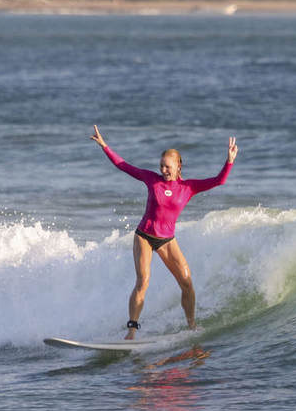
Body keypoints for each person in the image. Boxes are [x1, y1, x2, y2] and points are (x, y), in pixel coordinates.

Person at [91, 125, 238, 339]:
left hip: (167, 240)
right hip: (145, 236)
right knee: (143, 281)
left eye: (167, 166)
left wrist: (229, 162)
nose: (163, 170)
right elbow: (123, 166)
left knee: (187, 283)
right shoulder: (152, 179)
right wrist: (105, 146)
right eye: (161, 166)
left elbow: (219, 181)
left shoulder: (188, 187)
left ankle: (191, 325)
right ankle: (132, 331)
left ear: (178, 166)